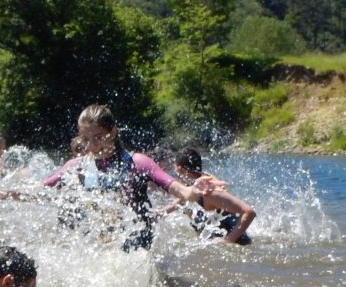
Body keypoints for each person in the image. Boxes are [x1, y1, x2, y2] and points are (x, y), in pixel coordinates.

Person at [41, 104, 221, 251]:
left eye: (98, 137)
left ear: (112, 132)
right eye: (86, 139)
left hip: (137, 245)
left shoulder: (138, 163)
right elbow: (39, 191)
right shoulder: (77, 166)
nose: (92, 146)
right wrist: (13, 193)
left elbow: (181, 191)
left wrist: (193, 190)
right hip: (100, 245)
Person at [161, 148, 255, 245]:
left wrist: (227, 241)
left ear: (180, 169)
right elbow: (179, 202)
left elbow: (249, 212)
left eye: (175, 169)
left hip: (237, 244)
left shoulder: (208, 190)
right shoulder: (194, 186)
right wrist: (157, 215)